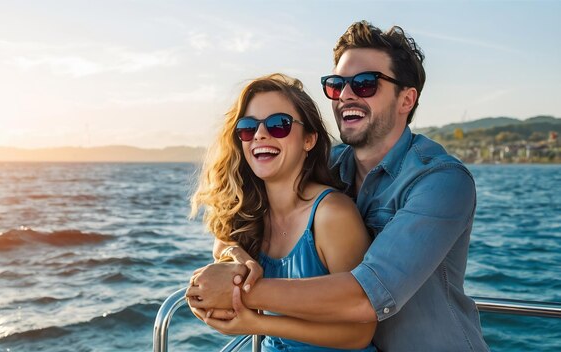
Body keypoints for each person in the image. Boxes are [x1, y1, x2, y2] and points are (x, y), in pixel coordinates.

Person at [187, 21, 490, 352]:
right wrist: (233, 255)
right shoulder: (326, 166)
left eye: (364, 84)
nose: (345, 95)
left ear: (406, 100)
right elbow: (244, 213)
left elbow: (366, 296)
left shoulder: (442, 181)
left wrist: (234, 290)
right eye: (336, 85)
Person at [187, 73, 376, 351]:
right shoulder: (251, 210)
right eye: (248, 128)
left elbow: (361, 333)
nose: (260, 135)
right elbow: (223, 239)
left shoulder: (331, 215)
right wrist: (235, 255)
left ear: (309, 139)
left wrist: (257, 324)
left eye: (279, 125)